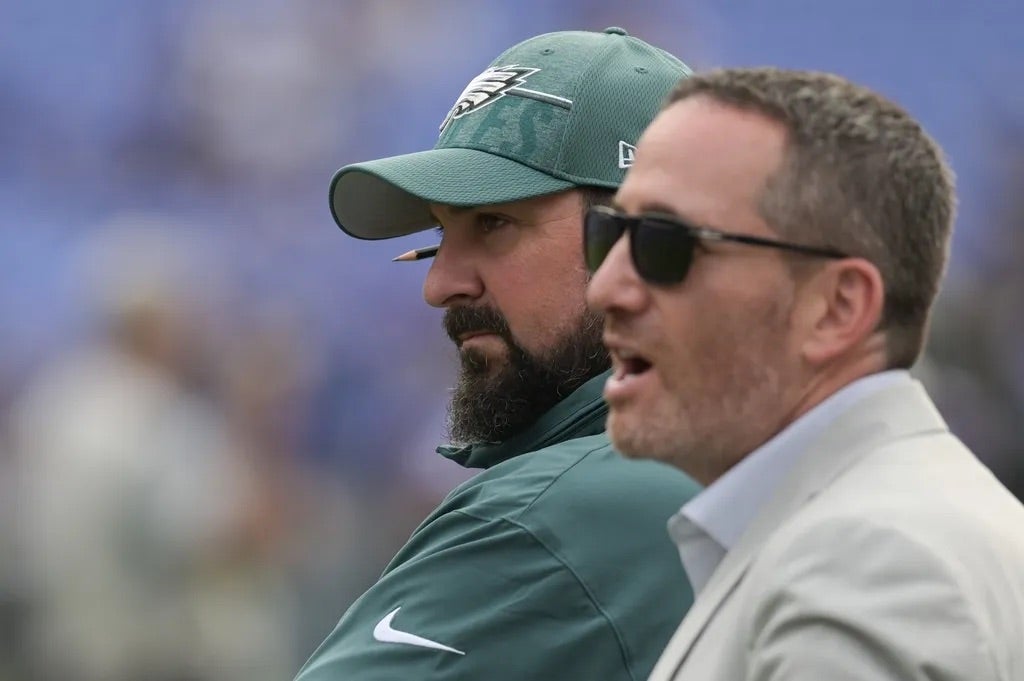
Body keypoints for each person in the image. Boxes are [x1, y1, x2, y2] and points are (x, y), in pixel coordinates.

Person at [585, 66, 1024, 680]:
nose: (604, 288)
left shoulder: (870, 562)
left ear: (837, 309)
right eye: (606, 233)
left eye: (664, 242)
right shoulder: (878, 527)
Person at [294, 28, 702, 681]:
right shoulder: (778, 462)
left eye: (494, 223)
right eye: (438, 235)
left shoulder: (552, 515)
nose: (438, 284)